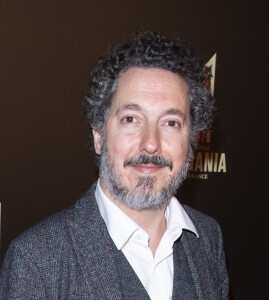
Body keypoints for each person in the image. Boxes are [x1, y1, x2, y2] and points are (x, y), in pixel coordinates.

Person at [0, 31, 229, 299]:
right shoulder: (36, 260)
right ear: (99, 136)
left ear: (191, 139)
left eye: (170, 123)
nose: (151, 143)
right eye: (131, 119)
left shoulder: (208, 238)